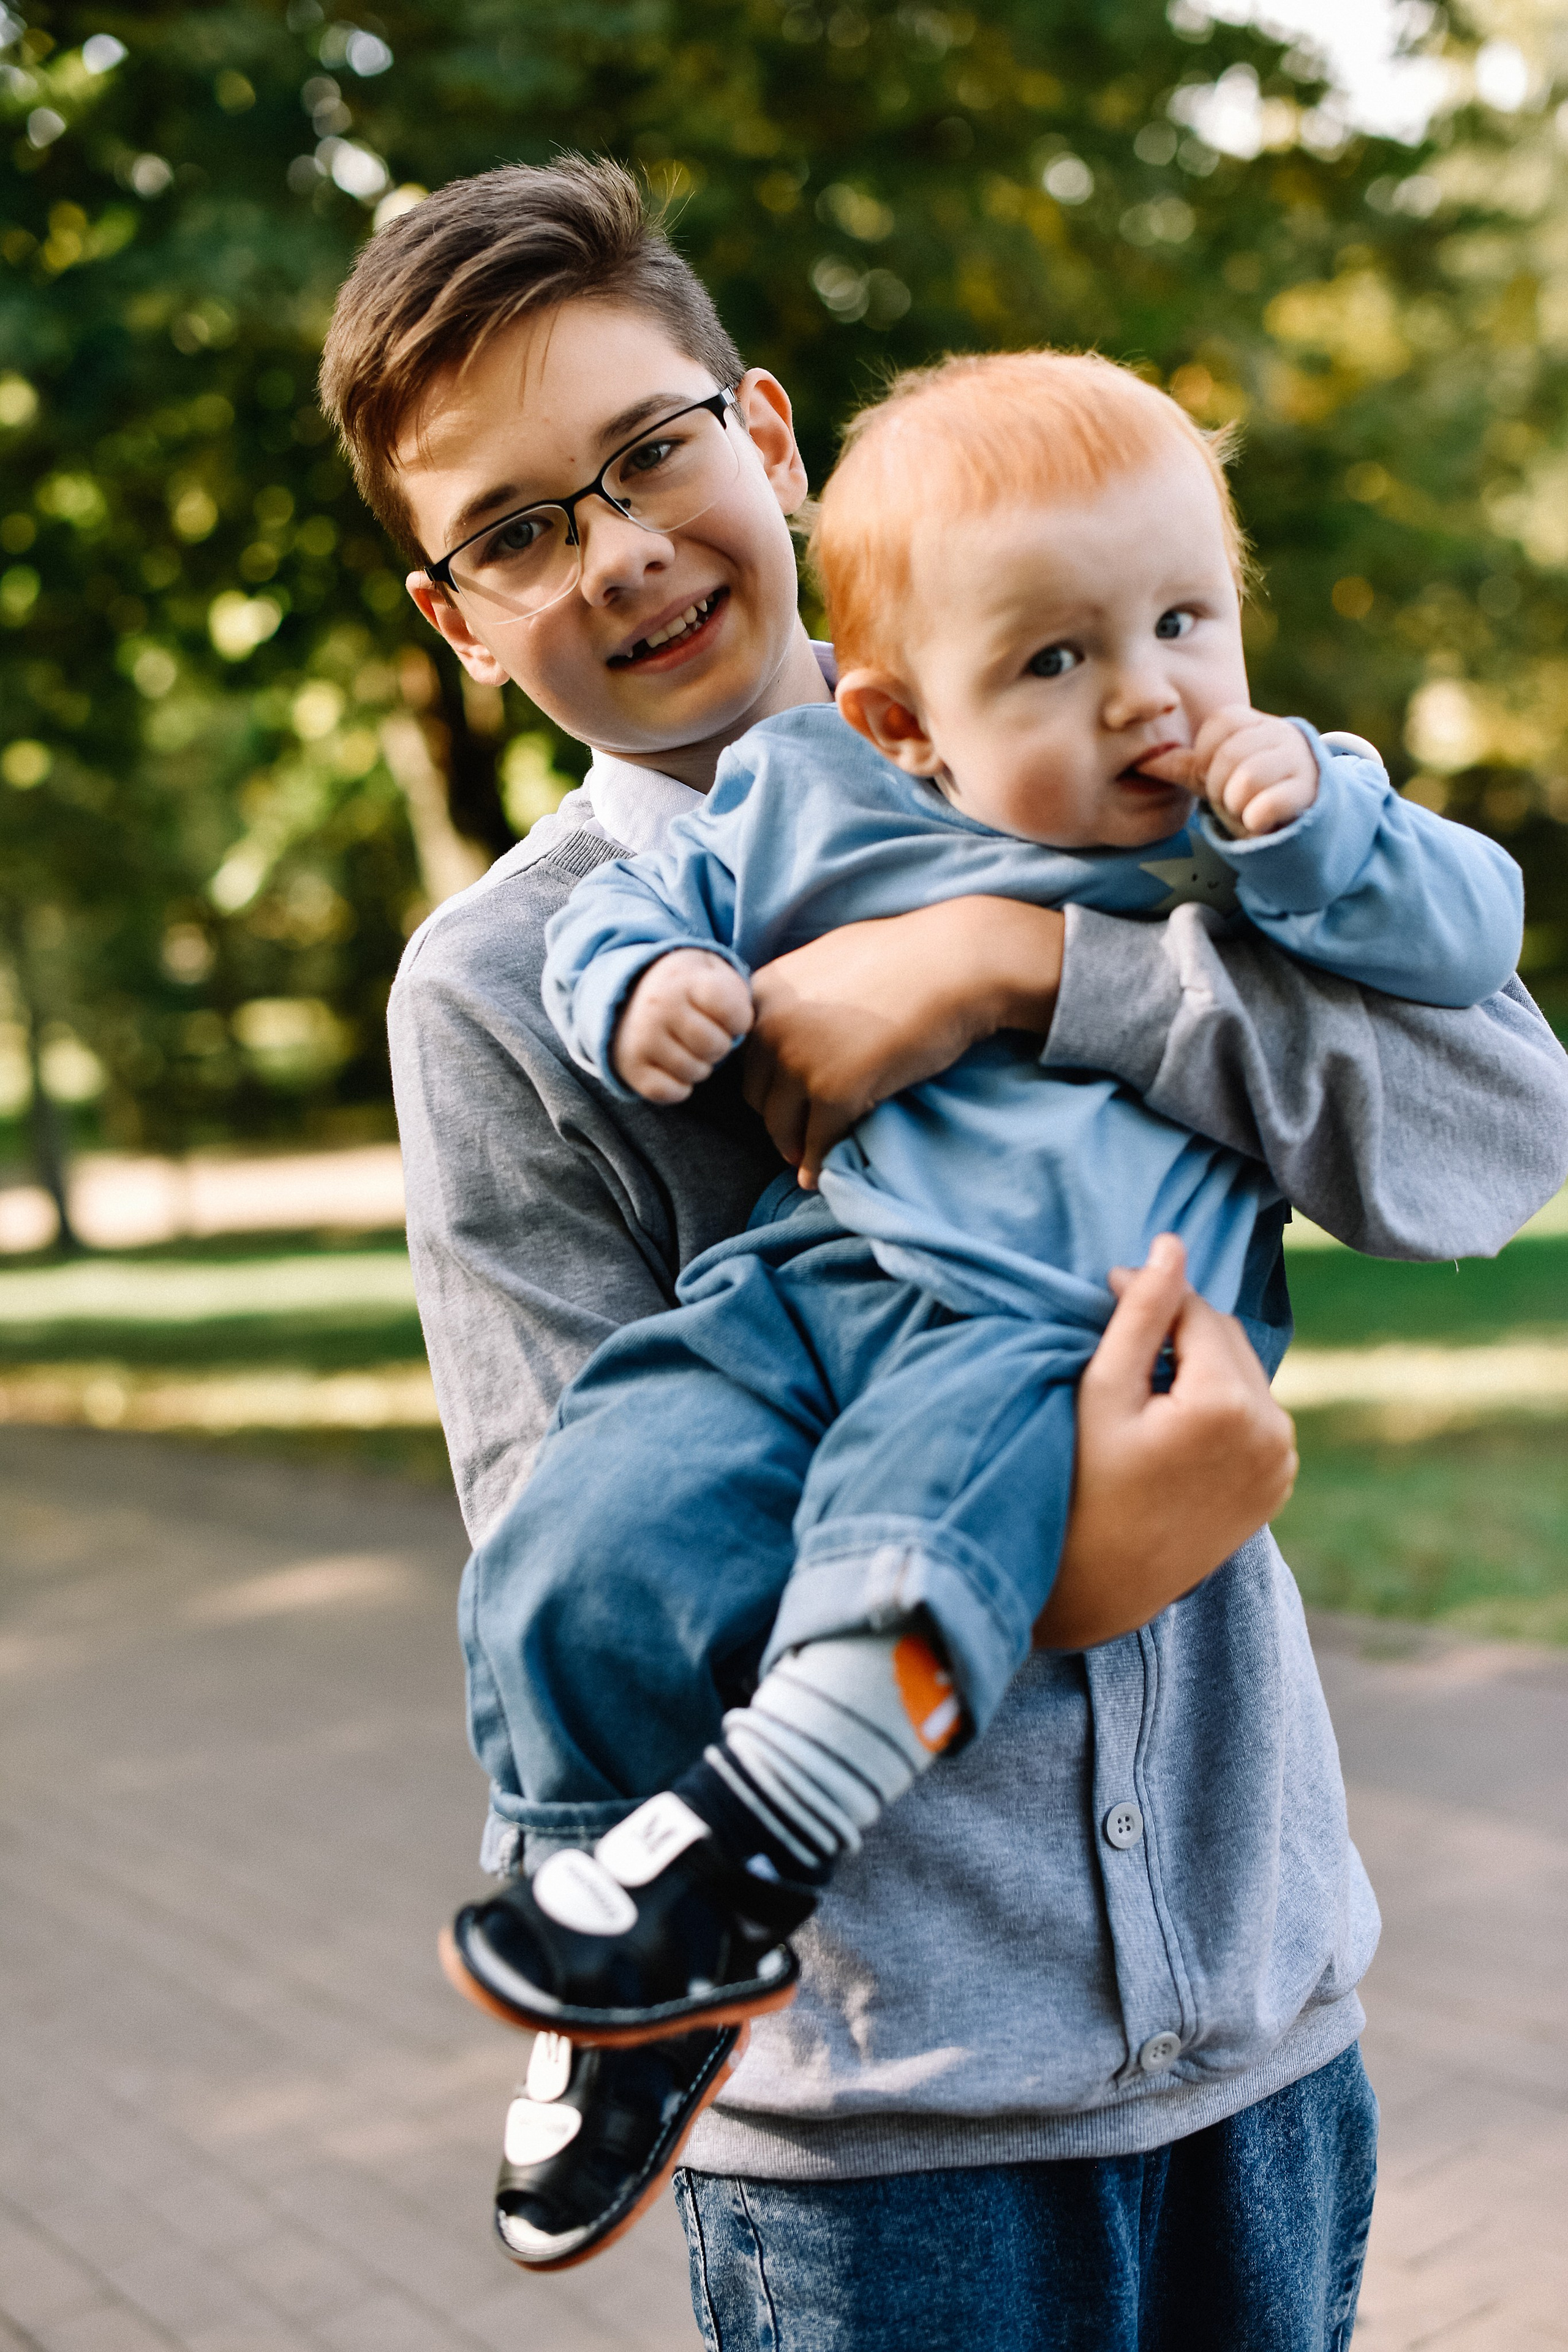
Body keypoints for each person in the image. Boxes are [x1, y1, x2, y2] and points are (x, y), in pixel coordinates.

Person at [320, 158, 1568, 2337]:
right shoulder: (501, 988)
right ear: (456, 615)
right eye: (516, 529)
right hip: (886, 2122)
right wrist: (1087, 1554)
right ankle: (608, 1983)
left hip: (1261, 2014)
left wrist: (1017, 969)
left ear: (768, 436)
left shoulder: (1135, 724)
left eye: (649, 454)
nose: (614, 550)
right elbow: (585, 1525)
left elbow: (1497, 1133)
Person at [436, 344, 1523, 2066]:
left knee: (916, 1497)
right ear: (905, 722)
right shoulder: (799, 803)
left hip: (1062, 1301)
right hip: (822, 1277)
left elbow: (1481, 1001)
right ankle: (614, 1946)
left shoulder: (1246, 820)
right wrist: (642, 988)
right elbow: (634, 917)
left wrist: (1169, 899)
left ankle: (764, 1819)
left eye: (1186, 622)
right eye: (1060, 661)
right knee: (602, 1499)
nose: (1147, 697)